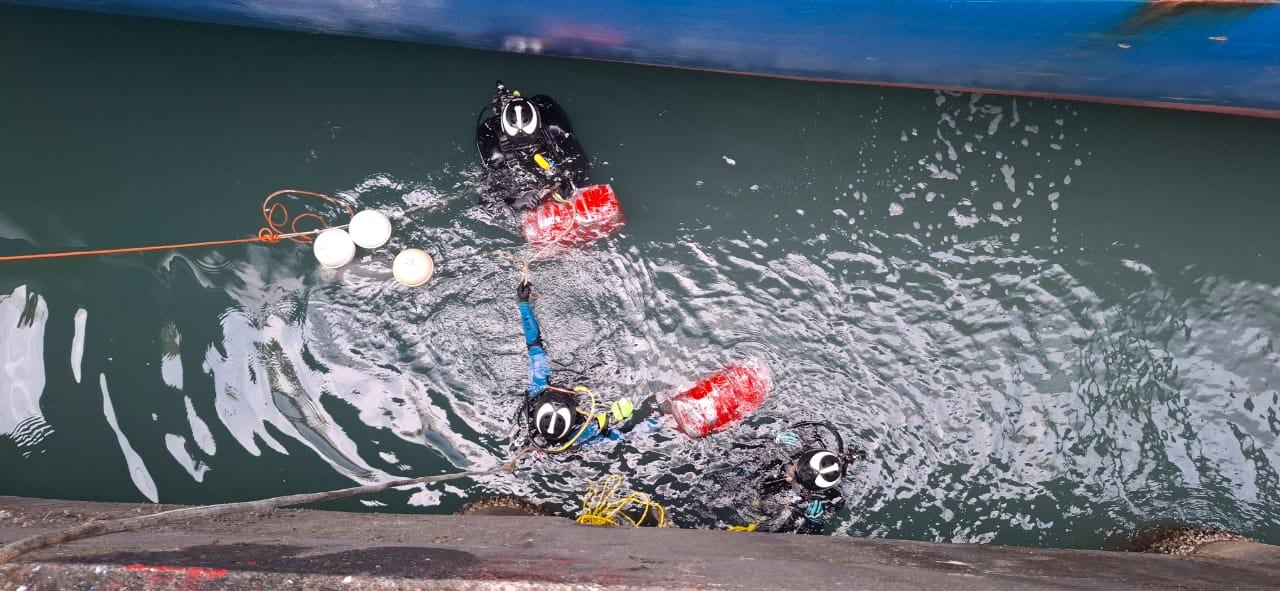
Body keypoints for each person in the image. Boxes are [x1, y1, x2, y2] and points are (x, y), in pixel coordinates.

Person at [514, 278, 637, 452]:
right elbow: (623, 436)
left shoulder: (539, 386)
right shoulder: (585, 433)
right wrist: (620, 418)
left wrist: (524, 304)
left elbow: (534, 344)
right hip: (584, 389)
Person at [727, 420, 865, 535]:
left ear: (808, 488)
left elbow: (802, 542)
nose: (787, 478)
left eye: (794, 482)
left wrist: (814, 524)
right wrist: (770, 434)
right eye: (790, 468)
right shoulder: (805, 440)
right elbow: (736, 438)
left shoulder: (828, 499)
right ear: (799, 459)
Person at [475, 81, 591, 211]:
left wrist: (569, 183)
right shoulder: (495, 152)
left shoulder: (555, 126)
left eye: (529, 138)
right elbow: (486, 201)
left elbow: (581, 162)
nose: (526, 144)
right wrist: (516, 201)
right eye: (519, 140)